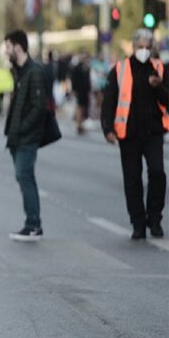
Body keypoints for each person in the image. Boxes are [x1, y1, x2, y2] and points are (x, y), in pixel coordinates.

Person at [101, 29, 168, 240]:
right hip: (128, 134)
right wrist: (108, 128)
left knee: (158, 172)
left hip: (153, 132)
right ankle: (138, 223)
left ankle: (154, 218)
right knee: (132, 179)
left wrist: (159, 88)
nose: (144, 51)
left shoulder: (160, 69)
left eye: (148, 47)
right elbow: (109, 101)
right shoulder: (119, 70)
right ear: (133, 47)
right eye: (140, 47)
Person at [3, 29, 47, 242]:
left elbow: (39, 107)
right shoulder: (18, 70)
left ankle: (33, 225)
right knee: (23, 178)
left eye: (8, 47)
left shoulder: (34, 71)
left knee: (24, 176)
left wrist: (21, 129)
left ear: (18, 47)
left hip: (27, 138)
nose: (6, 51)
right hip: (17, 137)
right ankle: (32, 222)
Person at [70, 52, 92, 135]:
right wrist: (74, 90)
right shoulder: (77, 68)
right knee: (80, 107)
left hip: (85, 91)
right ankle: (78, 124)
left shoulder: (86, 67)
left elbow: (88, 80)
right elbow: (73, 80)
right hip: (80, 90)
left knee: (83, 108)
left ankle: (80, 124)